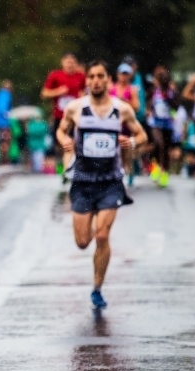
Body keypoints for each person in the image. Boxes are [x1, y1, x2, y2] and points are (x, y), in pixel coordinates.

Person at [56, 59, 147, 310]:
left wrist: (131, 142)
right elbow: (62, 130)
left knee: (103, 235)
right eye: (92, 76)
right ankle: (93, 239)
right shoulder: (76, 108)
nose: (96, 81)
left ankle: (97, 288)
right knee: (83, 241)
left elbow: (141, 134)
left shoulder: (121, 109)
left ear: (108, 80)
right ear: (87, 81)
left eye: (100, 76)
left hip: (110, 180)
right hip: (83, 180)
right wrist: (65, 141)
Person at [42, 53, 86, 176]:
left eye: (72, 62)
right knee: (59, 144)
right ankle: (64, 164)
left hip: (75, 118)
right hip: (59, 116)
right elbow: (44, 93)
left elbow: (85, 91)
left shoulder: (81, 76)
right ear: (62, 63)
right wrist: (58, 91)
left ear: (76, 64)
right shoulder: (55, 75)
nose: (70, 65)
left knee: (72, 143)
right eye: (68, 62)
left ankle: (68, 169)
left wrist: (83, 96)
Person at [109, 63, 141, 185]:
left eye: (126, 74)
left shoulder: (132, 90)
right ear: (118, 74)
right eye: (122, 74)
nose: (124, 77)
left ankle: (130, 173)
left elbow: (137, 106)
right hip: (113, 123)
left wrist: (124, 101)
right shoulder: (111, 88)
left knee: (126, 150)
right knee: (114, 151)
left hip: (126, 124)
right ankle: (117, 173)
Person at [147, 65, 178, 187]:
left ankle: (164, 172)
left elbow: (176, 107)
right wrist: (149, 109)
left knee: (166, 149)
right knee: (158, 144)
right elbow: (149, 101)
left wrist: (169, 99)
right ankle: (154, 166)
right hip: (155, 122)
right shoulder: (154, 90)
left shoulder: (172, 91)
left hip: (168, 123)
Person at [0, 80, 13, 162]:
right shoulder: (6, 95)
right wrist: (7, 114)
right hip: (4, 122)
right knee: (5, 140)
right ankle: (3, 159)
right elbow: (2, 109)